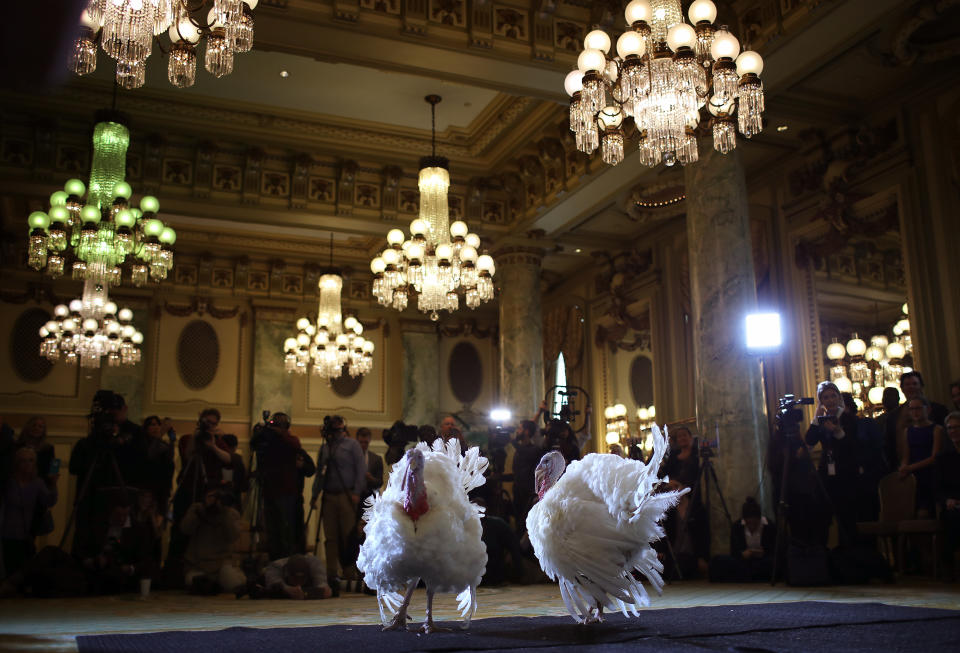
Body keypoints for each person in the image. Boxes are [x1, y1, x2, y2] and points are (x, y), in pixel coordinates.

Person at [310, 415, 365, 594]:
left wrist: (356, 492)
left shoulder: (352, 445)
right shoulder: (326, 448)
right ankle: (331, 573)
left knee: (347, 535)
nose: (337, 431)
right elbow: (320, 473)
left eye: (339, 428)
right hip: (329, 496)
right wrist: (314, 495)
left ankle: (349, 571)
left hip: (347, 494)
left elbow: (360, 470)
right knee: (330, 536)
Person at [805, 381, 859, 548]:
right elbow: (809, 440)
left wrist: (837, 432)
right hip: (825, 473)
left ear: (838, 397)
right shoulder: (820, 420)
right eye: (825, 397)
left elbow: (852, 446)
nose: (830, 400)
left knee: (846, 517)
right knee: (821, 516)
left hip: (845, 472)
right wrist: (815, 419)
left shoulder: (848, 418)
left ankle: (849, 555)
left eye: (833, 396)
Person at [250, 412, 303, 561]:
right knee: (271, 530)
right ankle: (274, 562)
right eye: (274, 423)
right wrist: (263, 431)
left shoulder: (290, 440)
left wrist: (280, 434)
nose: (275, 426)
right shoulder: (268, 439)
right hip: (269, 490)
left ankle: (286, 562)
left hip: (286, 491)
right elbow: (253, 444)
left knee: (284, 530)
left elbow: (295, 446)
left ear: (286, 426)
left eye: (280, 424)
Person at [0, 447, 58, 580]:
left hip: (26, 534)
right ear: (17, 463)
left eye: (31, 461)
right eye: (23, 461)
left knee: (24, 570)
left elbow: (49, 501)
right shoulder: (8, 482)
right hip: (7, 533)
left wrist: (53, 485)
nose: (27, 464)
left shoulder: (37, 483)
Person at [659, 426, 709, 577]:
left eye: (684, 436)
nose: (682, 439)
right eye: (679, 437)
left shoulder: (697, 455)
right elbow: (665, 475)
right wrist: (671, 483)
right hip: (674, 494)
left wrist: (684, 487)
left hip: (692, 495)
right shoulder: (673, 457)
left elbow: (698, 477)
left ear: (690, 437)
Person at [181, 485, 245, 595]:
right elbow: (185, 529)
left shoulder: (231, 513)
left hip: (222, 564)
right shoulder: (197, 509)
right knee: (195, 583)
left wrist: (225, 512)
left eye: (218, 496)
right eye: (211, 496)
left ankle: (219, 584)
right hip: (198, 564)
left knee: (234, 583)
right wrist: (199, 513)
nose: (215, 500)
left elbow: (233, 536)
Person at [709, 497, 776, 583]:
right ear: (744, 520)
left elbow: (775, 550)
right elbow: (733, 551)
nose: (752, 527)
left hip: (762, 561)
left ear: (759, 519)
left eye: (755, 524)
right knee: (717, 561)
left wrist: (762, 553)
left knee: (771, 564)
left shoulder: (769, 526)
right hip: (743, 562)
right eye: (749, 524)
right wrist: (743, 554)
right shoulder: (737, 527)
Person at [842, 393, 885, 522]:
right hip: (845, 483)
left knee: (869, 517)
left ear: (848, 407)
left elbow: (877, 448)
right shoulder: (832, 429)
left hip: (868, 478)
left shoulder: (866, 424)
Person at [899, 396, 944, 516]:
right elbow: (906, 456)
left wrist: (910, 468)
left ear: (927, 410)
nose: (915, 412)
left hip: (931, 474)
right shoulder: (908, 431)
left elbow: (934, 458)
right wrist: (903, 467)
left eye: (918, 408)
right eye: (912, 409)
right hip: (914, 476)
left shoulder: (936, 429)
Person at [935, 412, 960, 579]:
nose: (953, 431)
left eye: (957, 427)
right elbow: (937, 487)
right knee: (951, 518)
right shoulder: (943, 457)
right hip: (952, 504)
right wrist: (947, 500)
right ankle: (950, 567)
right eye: (950, 428)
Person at [245, 553, 331, 600]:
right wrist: (287, 589)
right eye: (295, 580)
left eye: (301, 579)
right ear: (287, 575)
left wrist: (308, 594)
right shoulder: (275, 567)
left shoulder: (315, 565)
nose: (298, 585)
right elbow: (274, 583)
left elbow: (325, 590)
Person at [139, 416, 175, 515]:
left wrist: (172, 441)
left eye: (158, 424)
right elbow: (150, 455)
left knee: (160, 516)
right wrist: (160, 434)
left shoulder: (162, 444)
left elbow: (169, 458)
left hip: (162, 487)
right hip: (147, 486)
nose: (156, 427)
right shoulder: (142, 442)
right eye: (152, 425)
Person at [511, 419, 541, 535]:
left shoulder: (534, 450)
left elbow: (526, 453)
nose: (517, 431)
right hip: (517, 492)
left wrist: (511, 441)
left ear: (527, 432)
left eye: (519, 429)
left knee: (525, 527)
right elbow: (517, 473)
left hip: (527, 495)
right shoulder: (519, 451)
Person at [896, 372, 949, 437]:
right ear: (902, 389)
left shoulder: (939, 410)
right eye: (907, 384)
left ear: (921, 386)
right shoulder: (894, 415)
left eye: (915, 384)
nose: (911, 387)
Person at [875, 386, 902, 474]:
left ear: (898, 398)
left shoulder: (904, 417)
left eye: (891, 396)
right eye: (886, 397)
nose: (887, 399)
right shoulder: (879, 420)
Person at [356, 427, 383, 500]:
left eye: (366, 442)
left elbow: (380, 482)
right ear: (357, 441)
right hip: (354, 497)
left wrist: (371, 479)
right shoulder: (350, 458)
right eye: (361, 442)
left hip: (370, 497)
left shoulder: (376, 459)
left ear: (369, 440)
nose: (363, 445)